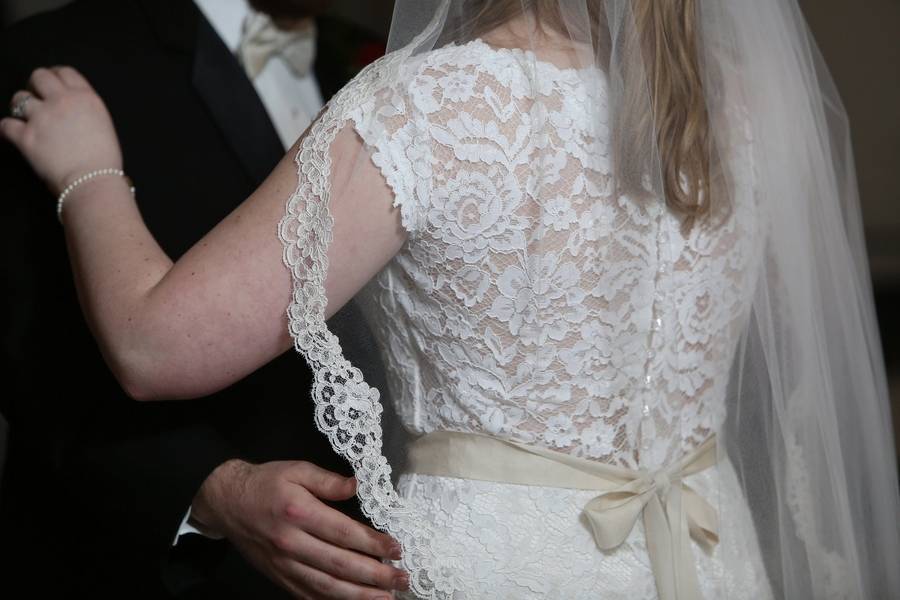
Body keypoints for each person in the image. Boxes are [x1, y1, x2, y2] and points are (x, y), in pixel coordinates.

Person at [4, 0, 900, 598]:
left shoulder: (428, 107)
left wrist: (88, 171)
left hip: (498, 571)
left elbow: (152, 346)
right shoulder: (750, 106)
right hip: (712, 562)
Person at [0, 0, 406, 598]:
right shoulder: (58, 55)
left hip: (362, 560)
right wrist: (211, 487)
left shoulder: (389, 73)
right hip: (140, 566)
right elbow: (26, 337)